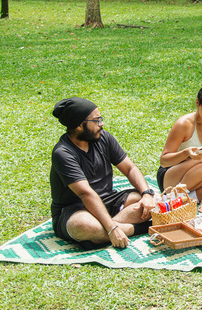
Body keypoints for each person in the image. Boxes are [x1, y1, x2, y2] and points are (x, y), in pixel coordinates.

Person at [50, 97, 155, 249]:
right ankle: (138, 229)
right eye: (97, 120)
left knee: (153, 202)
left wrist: (147, 193)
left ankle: (100, 235)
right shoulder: (63, 153)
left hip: (108, 201)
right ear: (79, 125)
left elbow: (130, 168)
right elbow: (85, 193)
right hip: (76, 210)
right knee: (83, 226)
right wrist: (112, 228)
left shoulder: (103, 138)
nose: (102, 124)